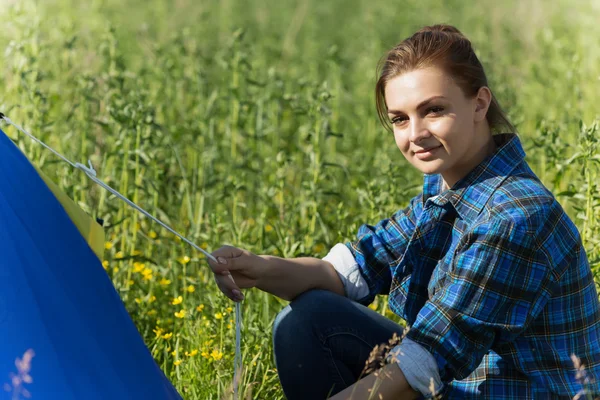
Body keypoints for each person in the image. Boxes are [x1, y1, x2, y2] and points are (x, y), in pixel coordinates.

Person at [208, 24, 600, 399]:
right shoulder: (451, 187)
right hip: (453, 383)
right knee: (307, 319)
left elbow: (424, 363)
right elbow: (356, 268)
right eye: (400, 118)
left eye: (433, 110)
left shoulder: (515, 216)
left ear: (480, 103)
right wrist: (258, 269)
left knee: (327, 330)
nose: (414, 134)